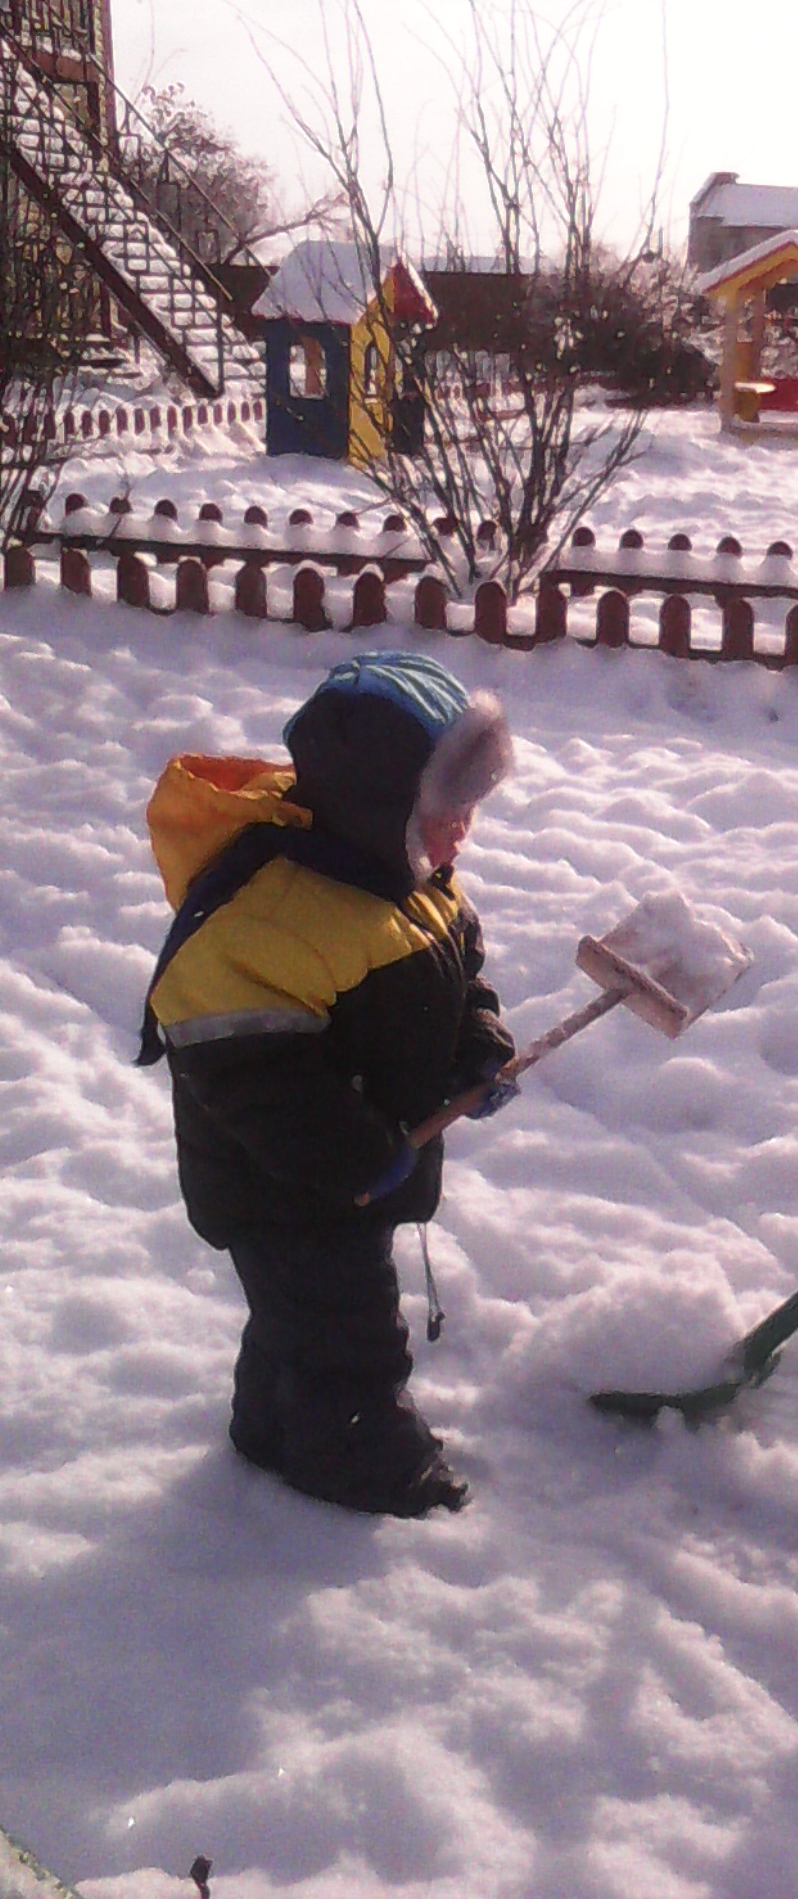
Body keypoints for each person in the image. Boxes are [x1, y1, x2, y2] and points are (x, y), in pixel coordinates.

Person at [139, 649, 517, 1518]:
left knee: (298, 1318)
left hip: (355, 1169)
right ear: (376, 804)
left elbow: (459, 974)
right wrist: (358, 1156)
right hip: (285, 1185)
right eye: (445, 810)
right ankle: (365, 1466)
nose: (462, 830)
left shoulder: (408, 883)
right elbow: (253, 1080)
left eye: (470, 809)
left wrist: (477, 1046)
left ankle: (271, 1430)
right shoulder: (268, 923)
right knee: (348, 1334)